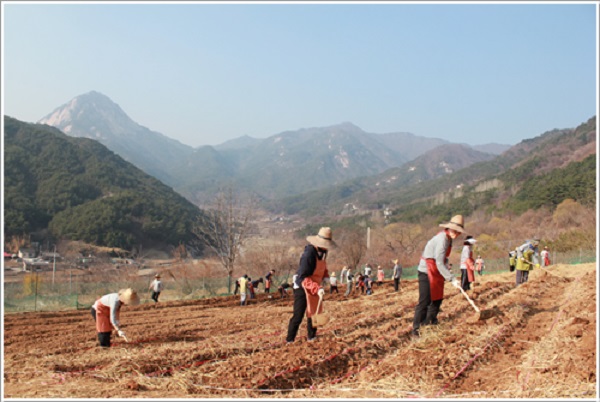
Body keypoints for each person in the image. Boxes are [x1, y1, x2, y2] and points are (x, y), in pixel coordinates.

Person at [412, 215, 464, 337]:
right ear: (449, 228)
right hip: (426, 271)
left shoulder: (448, 239)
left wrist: (447, 265)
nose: (455, 233)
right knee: (424, 301)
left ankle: (429, 324)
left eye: (458, 231)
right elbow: (439, 262)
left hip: (436, 270)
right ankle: (416, 330)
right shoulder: (442, 240)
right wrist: (451, 279)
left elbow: (442, 260)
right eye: (454, 230)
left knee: (437, 299)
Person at [286, 227, 335, 343]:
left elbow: (323, 266)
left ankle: (312, 337)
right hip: (302, 286)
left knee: (314, 313)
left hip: (314, 285)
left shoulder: (323, 252)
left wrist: (326, 276)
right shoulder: (308, 255)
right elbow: (302, 277)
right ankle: (290, 340)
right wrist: (316, 288)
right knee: (298, 315)